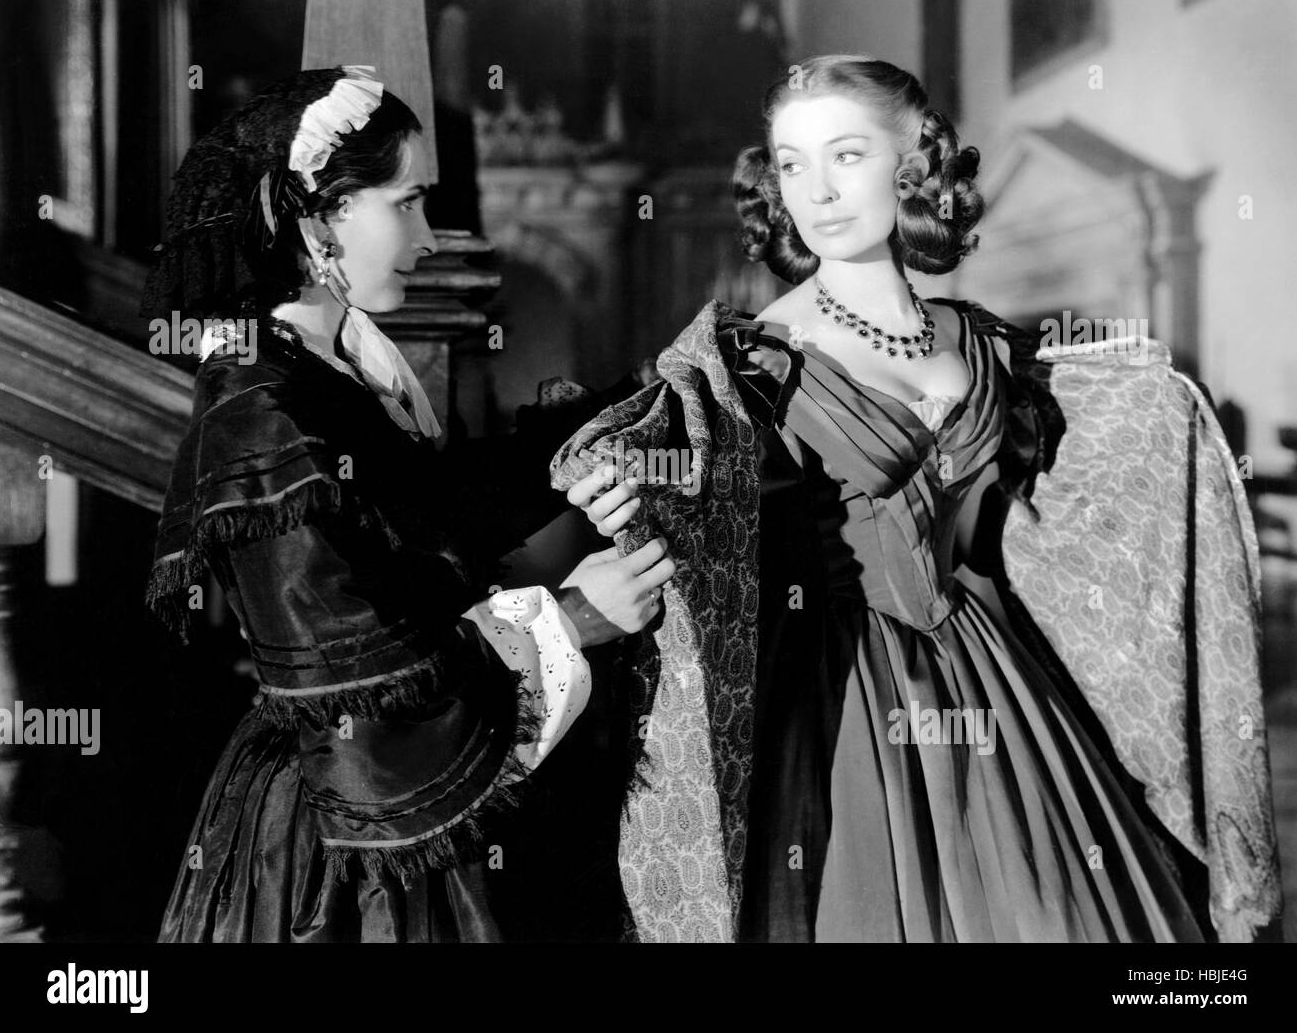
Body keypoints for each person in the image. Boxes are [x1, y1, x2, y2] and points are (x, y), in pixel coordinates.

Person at [556, 55, 1279, 942]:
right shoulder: (749, 358)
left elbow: (1047, 485)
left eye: (846, 156)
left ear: (912, 166)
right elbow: (676, 457)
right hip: (828, 686)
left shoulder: (983, 345)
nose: (815, 191)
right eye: (792, 164)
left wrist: (1164, 412)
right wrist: (625, 488)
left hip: (992, 673)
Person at [141, 65, 674, 942]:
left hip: (394, 821)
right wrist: (572, 619)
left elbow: (429, 512)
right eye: (409, 203)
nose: (430, 238)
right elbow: (370, 699)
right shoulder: (263, 418)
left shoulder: (332, 365)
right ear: (319, 218)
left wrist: (587, 440)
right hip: (347, 838)